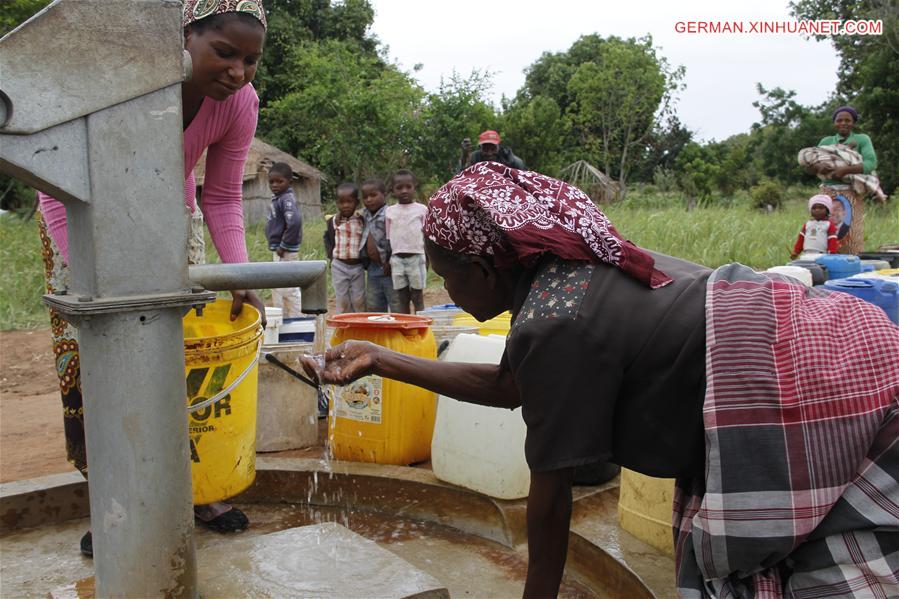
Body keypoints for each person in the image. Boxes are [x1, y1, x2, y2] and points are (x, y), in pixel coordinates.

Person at [304, 162, 899, 598]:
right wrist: (381, 360)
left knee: (836, 577)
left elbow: (550, 497)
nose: (447, 294)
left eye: (448, 278)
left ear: (485, 270)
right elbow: (514, 387)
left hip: (806, 379)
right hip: (846, 343)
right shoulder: (571, 269)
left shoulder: (553, 322)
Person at [35, 0, 269, 555]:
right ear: (183, 37)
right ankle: (113, 500)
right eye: (224, 52)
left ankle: (198, 488)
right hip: (78, 217)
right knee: (99, 362)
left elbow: (222, 195)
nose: (237, 71)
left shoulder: (239, 103)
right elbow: (52, 185)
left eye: (251, 60)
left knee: (180, 357)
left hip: (169, 215)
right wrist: (95, 276)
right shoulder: (124, 79)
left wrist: (237, 272)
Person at [798, 105, 887, 202]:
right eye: (839, 120)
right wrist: (818, 167)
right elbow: (809, 167)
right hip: (827, 191)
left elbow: (871, 163)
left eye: (847, 120)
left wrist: (844, 170)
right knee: (826, 216)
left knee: (851, 217)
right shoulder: (826, 141)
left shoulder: (862, 139)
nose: (843, 123)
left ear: (854, 123)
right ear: (834, 123)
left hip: (853, 191)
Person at [385, 169, 428, 313]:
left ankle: (420, 326)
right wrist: (387, 261)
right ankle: (406, 325)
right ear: (393, 190)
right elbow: (388, 237)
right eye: (399, 188)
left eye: (408, 187)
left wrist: (427, 259)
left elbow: (427, 236)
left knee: (417, 296)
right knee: (401, 297)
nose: (404, 191)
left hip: (416, 257)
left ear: (414, 187)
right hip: (397, 260)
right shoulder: (390, 211)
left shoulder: (422, 210)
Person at [265, 162, 303, 317]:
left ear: (289, 182)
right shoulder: (278, 198)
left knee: (289, 287)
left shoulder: (286, 199)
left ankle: (297, 318)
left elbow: (294, 222)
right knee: (279, 287)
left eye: (279, 181)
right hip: (279, 250)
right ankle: (281, 319)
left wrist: (284, 245)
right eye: (271, 182)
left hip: (285, 251)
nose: (275, 185)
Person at [324, 182, 366, 313]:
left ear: (357, 203)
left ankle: (358, 325)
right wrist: (331, 257)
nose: (345, 205)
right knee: (342, 299)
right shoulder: (333, 221)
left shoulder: (361, 220)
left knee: (359, 299)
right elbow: (329, 239)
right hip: (339, 266)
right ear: (337, 203)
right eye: (341, 202)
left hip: (357, 266)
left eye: (349, 202)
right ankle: (343, 326)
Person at [359, 178, 397, 312]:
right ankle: (379, 331)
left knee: (396, 302)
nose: (369, 199)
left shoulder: (391, 214)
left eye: (373, 195)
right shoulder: (364, 214)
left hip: (390, 267)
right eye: (365, 197)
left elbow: (396, 239)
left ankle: (398, 331)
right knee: (374, 305)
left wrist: (391, 261)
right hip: (373, 267)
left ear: (384, 194)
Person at [790, 194, 839, 259]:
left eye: (821, 208)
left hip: (822, 256)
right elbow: (801, 239)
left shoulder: (829, 225)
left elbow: (832, 240)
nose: (817, 210)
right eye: (814, 208)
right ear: (810, 210)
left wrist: (831, 254)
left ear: (827, 210)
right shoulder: (807, 224)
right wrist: (796, 252)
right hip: (806, 255)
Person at [458, 130, 526, 172]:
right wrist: (464, 156)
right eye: (485, 149)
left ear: (499, 147)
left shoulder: (513, 161)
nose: (489, 153)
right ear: (480, 148)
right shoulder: (474, 157)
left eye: (493, 149)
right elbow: (460, 176)